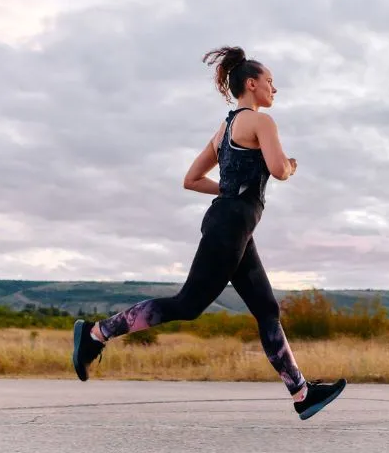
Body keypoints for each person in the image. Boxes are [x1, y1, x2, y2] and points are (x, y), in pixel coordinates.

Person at [72, 45, 346, 420]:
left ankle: (302, 394)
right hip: (230, 226)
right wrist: (291, 166)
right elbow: (280, 170)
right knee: (187, 305)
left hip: (232, 225)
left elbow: (191, 179)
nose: (274, 89)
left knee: (267, 309)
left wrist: (232, 188)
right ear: (251, 84)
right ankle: (95, 335)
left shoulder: (225, 130)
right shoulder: (260, 122)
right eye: (270, 82)